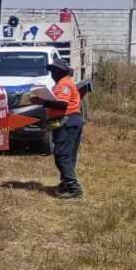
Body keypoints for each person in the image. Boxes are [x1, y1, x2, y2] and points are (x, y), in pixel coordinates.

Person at [42, 58, 84, 198]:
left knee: (62, 155)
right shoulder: (63, 83)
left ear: (59, 72)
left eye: (53, 71)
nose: (52, 74)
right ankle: (66, 183)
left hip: (68, 121)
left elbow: (61, 105)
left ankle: (74, 188)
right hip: (70, 121)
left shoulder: (63, 84)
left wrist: (42, 101)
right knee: (68, 155)